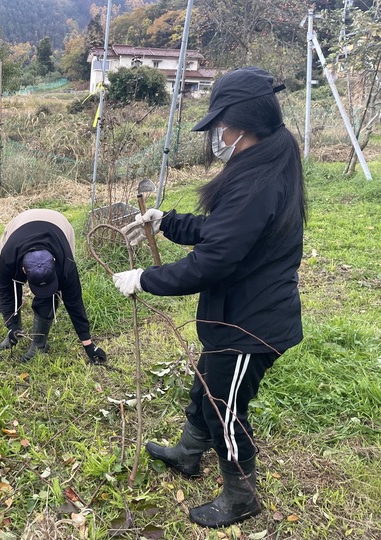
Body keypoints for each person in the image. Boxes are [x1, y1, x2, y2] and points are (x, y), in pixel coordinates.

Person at [112, 67, 306, 528]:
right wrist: (168, 222)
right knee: (206, 388)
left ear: (243, 124)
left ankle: (241, 496)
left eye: (221, 125)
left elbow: (213, 261)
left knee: (225, 410)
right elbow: (224, 232)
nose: (218, 135)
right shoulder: (262, 163)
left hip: (252, 326)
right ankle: (187, 453)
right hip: (234, 316)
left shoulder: (258, 181)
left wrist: (145, 279)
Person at [0, 209, 107, 364]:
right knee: (11, 286)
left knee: (51, 294)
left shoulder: (65, 262)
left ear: (54, 261)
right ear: (23, 270)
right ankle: (15, 331)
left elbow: (74, 302)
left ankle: (39, 344)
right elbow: (6, 293)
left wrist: (88, 344)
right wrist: (11, 325)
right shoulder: (7, 259)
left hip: (58, 224)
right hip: (19, 225)